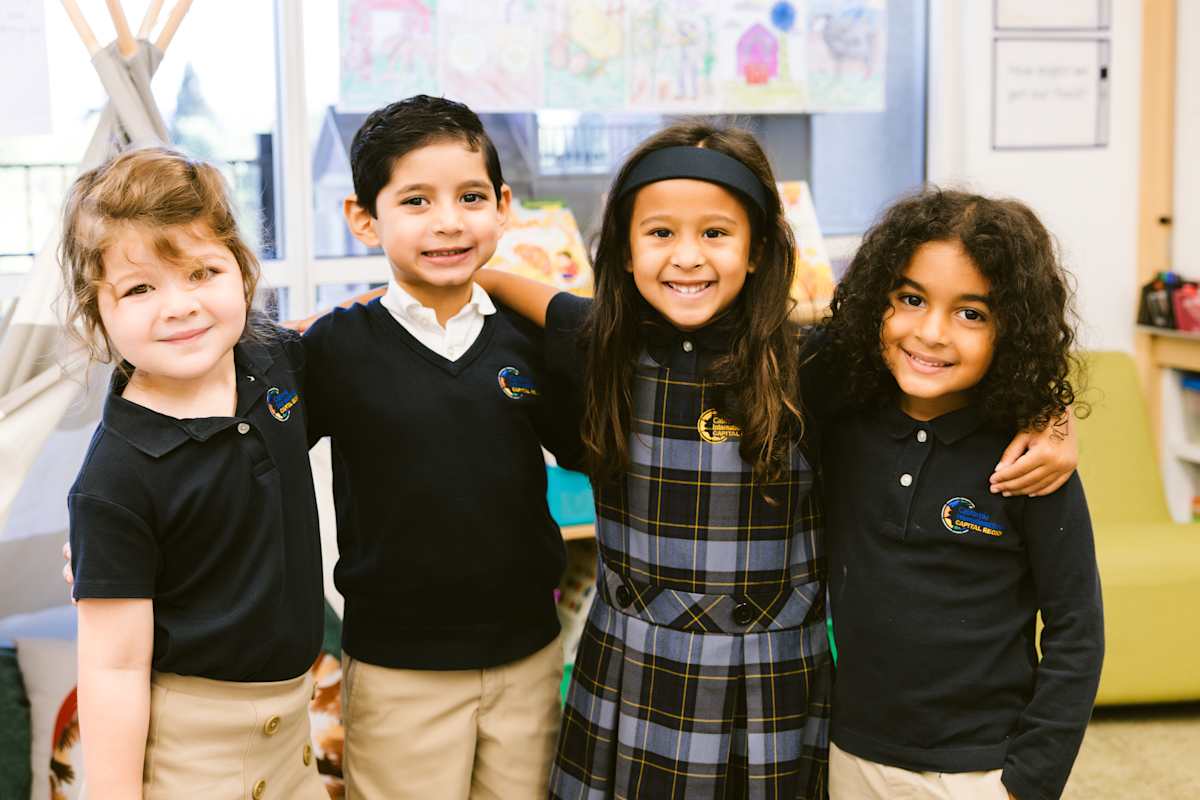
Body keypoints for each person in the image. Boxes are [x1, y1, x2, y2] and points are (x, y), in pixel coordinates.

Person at [475, 124, 1080, 799]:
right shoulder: (598, 344)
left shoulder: (815, 364)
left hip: (769, 682)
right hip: (633, 670)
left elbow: (945, 365)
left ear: (758, 248)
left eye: (714, 234)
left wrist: (1051, 415)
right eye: (660, 234)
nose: (687, 258)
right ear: (622, 249)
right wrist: (469, 275)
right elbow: (545, 303)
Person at [300, 95, 581, 799]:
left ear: (503, 205)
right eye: (417, 201)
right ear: (365, 219)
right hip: (398, 673)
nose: (450, 221)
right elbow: (242, 450)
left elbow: (586, 450)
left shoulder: (528, 341)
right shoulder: (334, 347)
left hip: (528, 657)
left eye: (471, 197)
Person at [816, 188, 1104, 800]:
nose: (932, 332)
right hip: (851, 750)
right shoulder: (840, 422)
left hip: (981, 769)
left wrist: (1027, 781)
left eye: (971, 313)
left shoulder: (1030, 463)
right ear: (876, 301)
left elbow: (1077, 628)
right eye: (911, 299)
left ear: (1014, 331)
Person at [60, 147, 326, 799]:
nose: (178, 306)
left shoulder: (272, 362)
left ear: (241, 273)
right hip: (192, 756)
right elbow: (113, 669)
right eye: (141, 287)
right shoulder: (114, 479)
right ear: (99, 312)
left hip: (296, 738)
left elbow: (359, 334)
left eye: (201, 272)